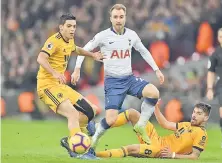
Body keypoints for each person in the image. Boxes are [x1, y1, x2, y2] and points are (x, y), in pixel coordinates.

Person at [72, 4, 164, 148]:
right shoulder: (103, 36)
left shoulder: (131, 35)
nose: (118, 20)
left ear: (125, 18)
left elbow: (144, 51)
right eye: (115, 17)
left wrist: (157, 70)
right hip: (113, 82)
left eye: (121, 17)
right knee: (111, 120)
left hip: (129, 79)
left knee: (153, 93)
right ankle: (95, 139)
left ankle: (141, 125)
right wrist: (77, 69)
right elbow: (84, 50)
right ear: (110, 18)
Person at [36, 13, 104, 158]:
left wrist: (92, 55)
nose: (72, 29)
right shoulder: (53, 41)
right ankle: (79, 151)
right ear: (61, 27)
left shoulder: (69, 40)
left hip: (60, 86)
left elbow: (76, 49)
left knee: (91, 110)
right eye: (68, 26)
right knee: (72, 114)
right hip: (47, 86)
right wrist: (54, 73)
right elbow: (41, 58)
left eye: (74, 26)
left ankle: (70, 140)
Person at [95, 101, 210, 159]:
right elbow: (164, 124)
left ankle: (95, 155)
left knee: (131, 148)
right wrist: (155, 107)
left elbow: (194, 156)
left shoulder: (201, 134)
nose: (194, 115)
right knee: (132, 113)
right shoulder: (186, 124)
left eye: (199, 113)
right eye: (194, 112)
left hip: (159, 150)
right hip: (155, 139)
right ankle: (98, 127)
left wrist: (173, 155)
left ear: (206, 117)